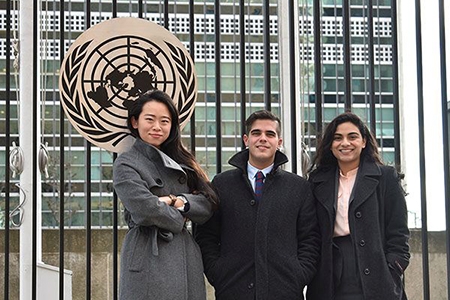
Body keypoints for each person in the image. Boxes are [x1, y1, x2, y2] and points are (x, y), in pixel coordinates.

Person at [195, 110, 320, 300]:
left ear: (279, 142)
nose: (263, 138)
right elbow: (206, 236)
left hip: (285, 292)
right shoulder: (221, 184)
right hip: (233, 290)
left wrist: (298, 275)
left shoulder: (299, 187)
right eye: (256, 133)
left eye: (270, 134)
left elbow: (310, 238)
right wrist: (218, 272)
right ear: (246, 139)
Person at [113, 89, 218, 300]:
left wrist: (174, 200)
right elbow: (145, 209)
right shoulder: (126, 163)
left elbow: (208, 204)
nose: (157, 127)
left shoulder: (183, 161)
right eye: (149, 119)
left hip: (185, 256)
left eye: (165, 121)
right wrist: (181, 216)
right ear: (135, 122)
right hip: (147, 253)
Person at [306, 111, 410, 300]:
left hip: (377, 273)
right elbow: (310, 233)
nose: (345, 143)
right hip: (329, 274)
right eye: (338, 138)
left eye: (352, 137)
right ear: (330, 145)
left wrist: (393, 268)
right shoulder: (316, 182)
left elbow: (398, 233)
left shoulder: (385, 177)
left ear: (363, 142)